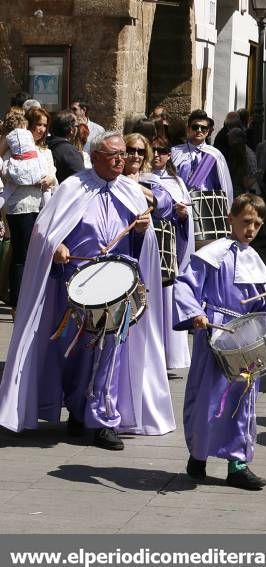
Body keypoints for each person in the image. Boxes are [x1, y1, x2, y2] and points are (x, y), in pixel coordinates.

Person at [0, 132, 175, 446]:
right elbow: (44, 232)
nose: (122, 159)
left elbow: (146, 234)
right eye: (113, 155)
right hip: (77, 287)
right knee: (78, 354)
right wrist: (58, 246)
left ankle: (104, 420)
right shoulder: (73, 188)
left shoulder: (131, 191)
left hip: (119, 287)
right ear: (94, 157)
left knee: (112, 352)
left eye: (124, 154)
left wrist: (141, 232)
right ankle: (79, 409)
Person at [173, 193, 266, 490]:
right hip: (215, 332)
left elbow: (261, 310)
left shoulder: (256, 261)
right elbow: (186, 286)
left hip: (246, 337)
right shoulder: (213, 254)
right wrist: (196, 313)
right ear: (231, 219)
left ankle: (237, 464)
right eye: (246, 221)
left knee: (243, 400)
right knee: (208, 399)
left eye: (258, 224)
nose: (251, 229)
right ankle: (198, 456)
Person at [140, 136, 193, 371]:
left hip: (166, 249)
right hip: (144, 244)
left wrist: (182, 215)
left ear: (170, 155)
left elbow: (185, 220)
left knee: (167, 298)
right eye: (155, 150)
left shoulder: (177, 182)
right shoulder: (140, 179)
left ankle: (169, 356)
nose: (159, 154)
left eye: (163, 151)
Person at [1, 107, 57, 312]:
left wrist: (50, 178)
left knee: (38, 254)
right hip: (21, 205)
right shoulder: (14, 146)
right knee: (22, 255)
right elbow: (5, 171)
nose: (41, 129)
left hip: (42, 204)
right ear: (28, 125)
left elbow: (53, 176)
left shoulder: (45, 151)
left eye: (45, 125)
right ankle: (18, 304)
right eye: (38, 124)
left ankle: (33, 301)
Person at [171, 109, 234, 209]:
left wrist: (228, 210)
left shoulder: (215, 155)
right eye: (195, 127)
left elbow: (225, 185)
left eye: (203, 128)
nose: (199, 130)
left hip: (207, 206)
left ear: (208, 131)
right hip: (181, 205)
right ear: (188, 129)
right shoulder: (175, 152)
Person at [46, 110, 86, 183]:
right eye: (76, 126)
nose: (77, 128)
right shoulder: (69, 151)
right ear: (71, 130)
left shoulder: (44, 144)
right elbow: (81, 179)